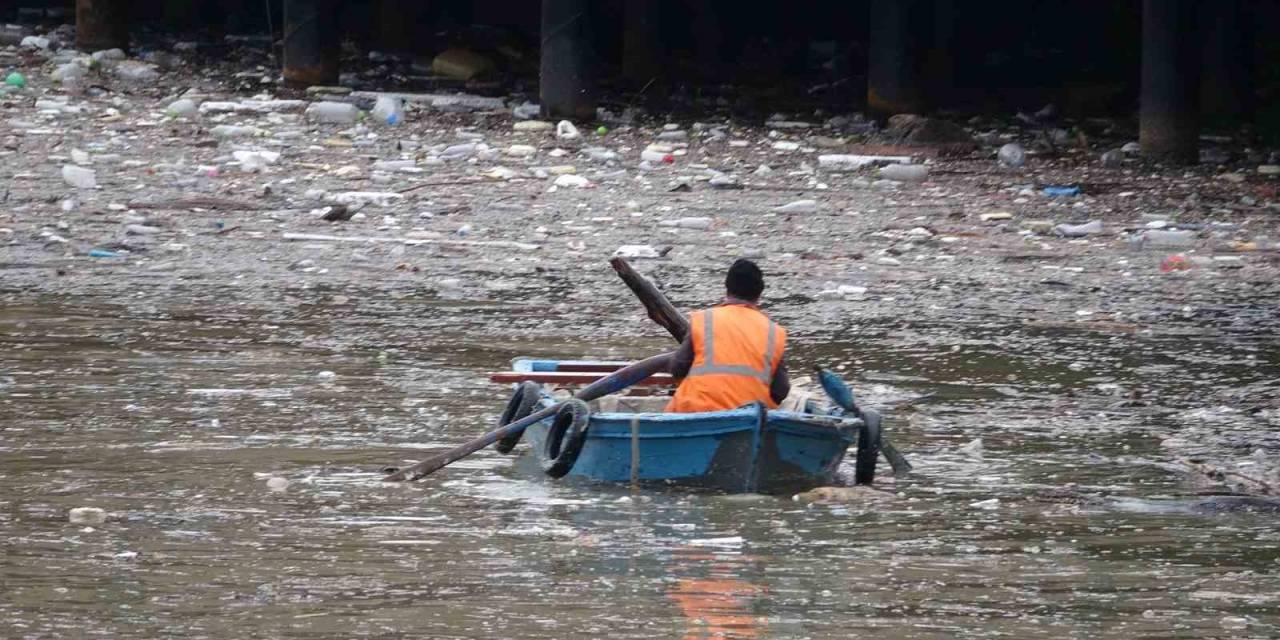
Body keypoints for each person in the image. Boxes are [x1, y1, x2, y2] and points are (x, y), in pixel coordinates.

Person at [667, 259, 790, 412]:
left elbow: (677, 368)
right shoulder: (775, 332)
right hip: (749, 419)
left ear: (727, 289)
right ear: (759, 295)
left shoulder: (705, 319)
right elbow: (781, 391)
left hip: (696, 412)